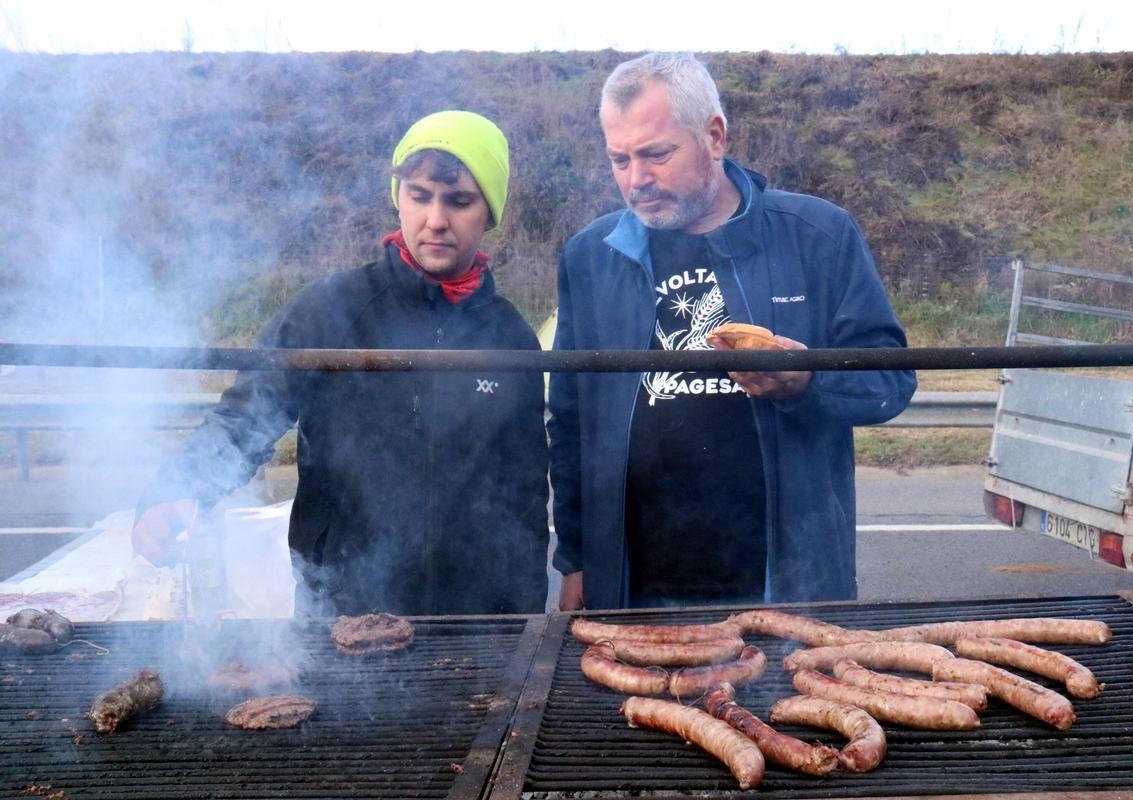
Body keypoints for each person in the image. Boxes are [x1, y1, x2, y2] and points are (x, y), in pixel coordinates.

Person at [133, 110, 549, 616]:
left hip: (478, 614)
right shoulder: (328, 310)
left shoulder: (510, 336)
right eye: (419, 196)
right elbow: (246, 415)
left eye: (459, 201)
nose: (435, 220)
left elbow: (526, 490)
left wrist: (526, 611)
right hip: (342, 605)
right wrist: (176, 490)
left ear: (490, 212)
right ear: (399, 199)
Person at [548, 53, 917, 611]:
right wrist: (574, 561)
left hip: (787, 586)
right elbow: (571, 421)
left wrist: (808, 382)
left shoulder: (817, 235)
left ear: (714, 136)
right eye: (619, 160)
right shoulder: (589, 257)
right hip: (632, 587)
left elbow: (891, 380)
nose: (636, 180)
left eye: (657, 154)